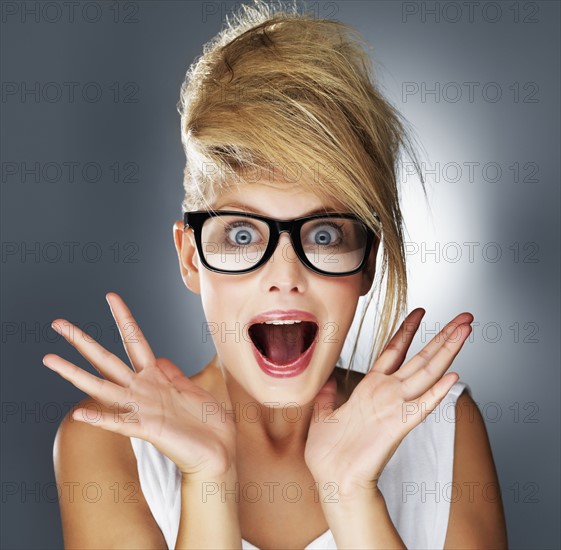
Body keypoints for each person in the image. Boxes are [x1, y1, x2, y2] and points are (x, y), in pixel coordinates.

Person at [46, 1, 508, 548]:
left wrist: (351, 494)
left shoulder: (445, 431)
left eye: (325, 234)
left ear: (367, 262)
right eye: (242, 235)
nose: (285, 276)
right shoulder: (107, 441)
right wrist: (206, 479)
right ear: (192, 259)